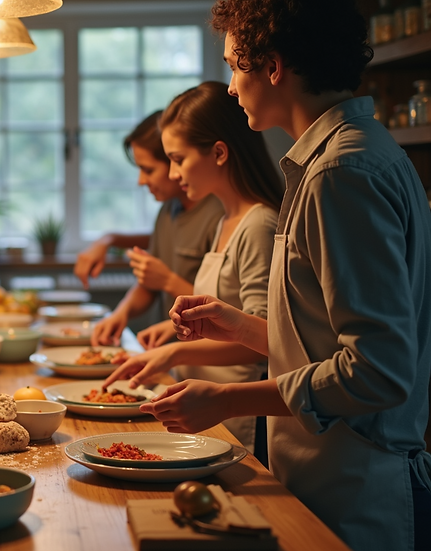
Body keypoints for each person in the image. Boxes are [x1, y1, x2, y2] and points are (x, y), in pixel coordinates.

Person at [148, 2, 431, 549]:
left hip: (354, 483)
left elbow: (377, 371)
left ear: (272, 67)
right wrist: (242, 327)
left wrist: (228, 400)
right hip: (329, 473)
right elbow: (327, 343)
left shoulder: (341, 172)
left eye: (235, 65)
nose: (231, 87)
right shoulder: (342, 157)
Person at [100, 81, 281, 455]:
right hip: (201, 409)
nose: (173, 173)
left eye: (178, 159)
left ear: (218, 153)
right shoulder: (225, 221)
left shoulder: (259, 223)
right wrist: (172, 333)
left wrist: (176, 352)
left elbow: (265, 346)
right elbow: (226, 316)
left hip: (235, 418)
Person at [79, 112, 223, 349]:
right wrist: (120, 314)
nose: (141, 181)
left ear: (175, 161)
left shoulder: (219, 213)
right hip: (177, 360)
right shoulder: (169, 209)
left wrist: (166, 280)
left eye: (148, 170)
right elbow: (149, 285)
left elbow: (229, 312)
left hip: (212, 368)